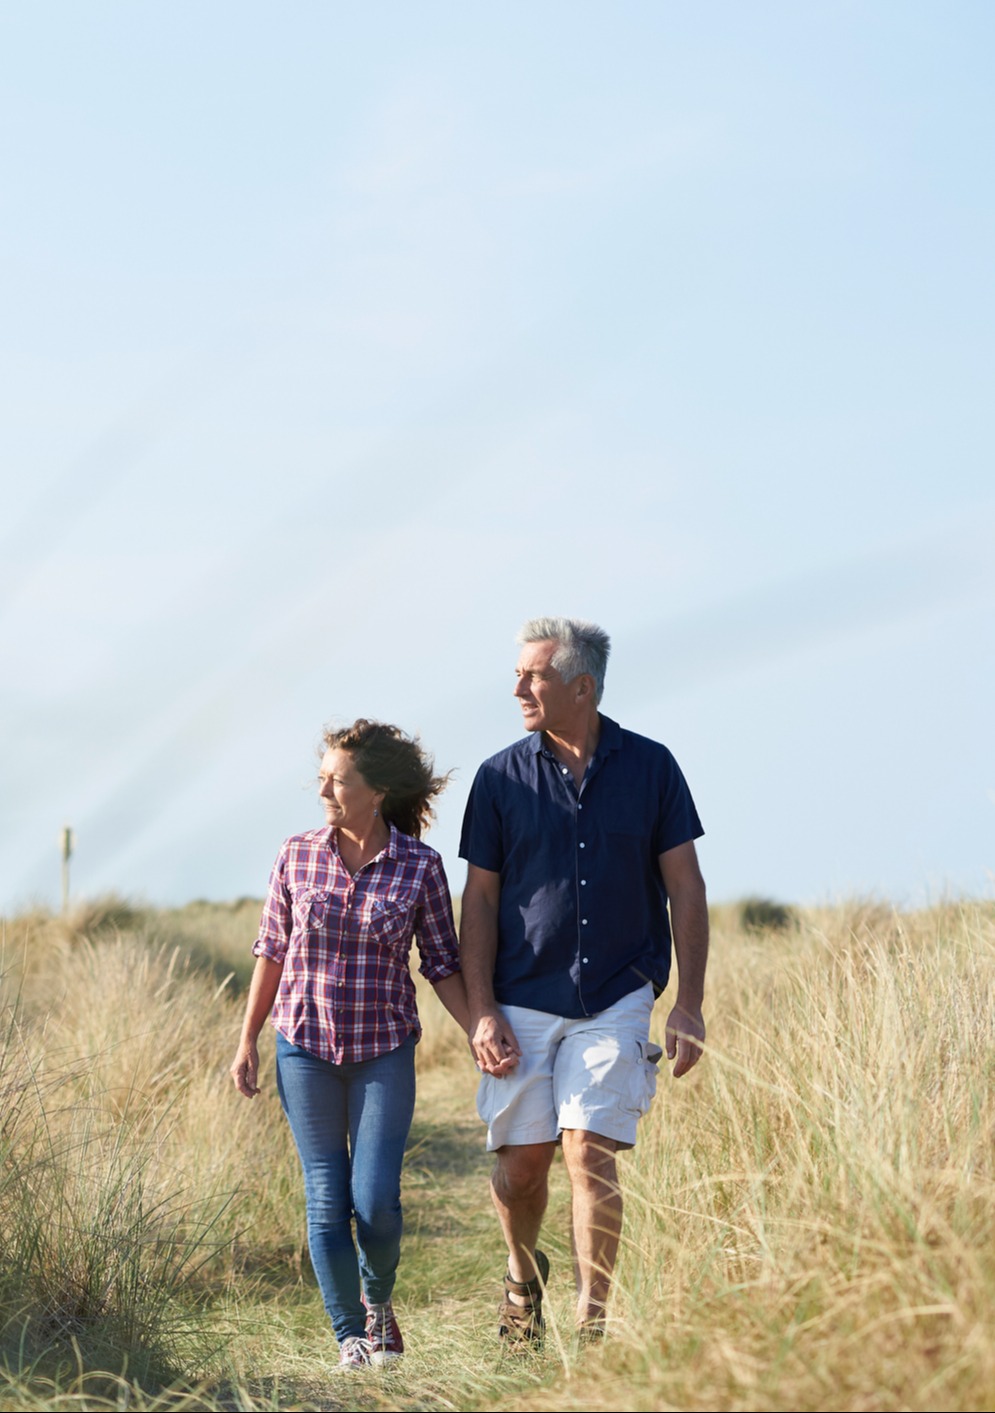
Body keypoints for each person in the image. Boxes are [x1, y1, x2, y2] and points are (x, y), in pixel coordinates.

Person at [459, 617, 709, 1347]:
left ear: (581, 685)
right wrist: (480, 1010)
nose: (516, 687)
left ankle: (590, 1322)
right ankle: (519, 1273)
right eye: (517, 674)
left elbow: (684, 889)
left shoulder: (652, 768)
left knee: (585, 1148)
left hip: (618, 991)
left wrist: (686, 1004)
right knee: (520, 1167)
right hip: (519, 994)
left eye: (531, 675)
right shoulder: (499, 777)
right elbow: (477, 898)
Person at [230, 719, 469, 1370]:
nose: (324, 789)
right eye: (322, 777)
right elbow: (271, 951)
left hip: (383, 1047)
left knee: (375, 1202)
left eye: (338, 779)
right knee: (327, 1198)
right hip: (303, 1045)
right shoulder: (296, 853)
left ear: (378, 790)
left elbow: (442, 962)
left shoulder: (419, 866)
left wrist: (479, 1027)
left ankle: (378, 1298)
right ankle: (349, 1336)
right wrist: (247, 1039)